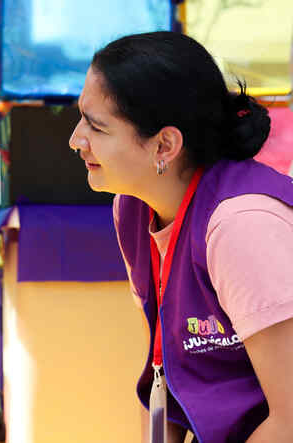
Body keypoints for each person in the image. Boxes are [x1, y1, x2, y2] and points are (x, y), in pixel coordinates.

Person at [69, 32, 293, 442]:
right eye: (82, 118)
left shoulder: (242, 226)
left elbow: (291, 420)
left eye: (97, 128)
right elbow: (166, 370)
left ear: (165, 145)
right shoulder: (132, 207)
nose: (75, 140)